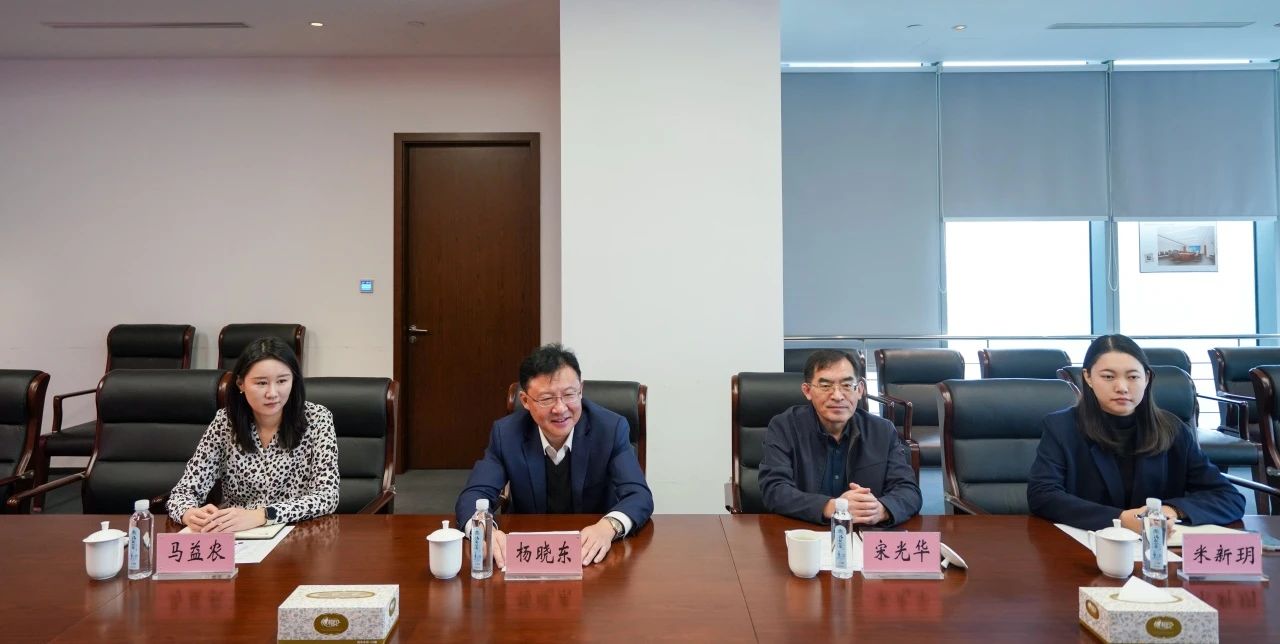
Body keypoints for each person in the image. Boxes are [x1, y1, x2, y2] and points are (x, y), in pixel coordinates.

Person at [455, 343, 654, 567]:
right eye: (546, 399)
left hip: (593, 554)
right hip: (529, 552)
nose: (560, 408)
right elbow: (474, 495)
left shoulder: (610, 429)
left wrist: (608, 527)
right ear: (525, 401)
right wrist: (484, 532)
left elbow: (639, 495)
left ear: (581, 390)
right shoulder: (507, 434)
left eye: (569, 395)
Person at [1028, 334, 1245, 532]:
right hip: (1087, 546)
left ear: (1147, 378)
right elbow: (1042, 496)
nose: (1122, 387)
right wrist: (1120, 519)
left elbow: (1229, 497)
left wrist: (1170, 510)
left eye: (1132, 377)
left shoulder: (1173, 429)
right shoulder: (1062, 427)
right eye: (1108, 377)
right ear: (1088, 377)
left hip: (1158, 550)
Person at [167, 337, 339, 532]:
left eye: (282, 381)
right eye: (261, 383)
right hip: (238, 535)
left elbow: (327, 497)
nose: (272, 393)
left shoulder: (317, 418)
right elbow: (183, 492)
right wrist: (190, 513)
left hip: (297, 533)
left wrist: (262, 515)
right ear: (241, 383)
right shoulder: (225, 422)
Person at [758, 349, 922, 526]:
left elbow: (909, 491)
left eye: (846, 385)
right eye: (825, 386)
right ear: (807, 391)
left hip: (863, 533)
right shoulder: (784, 427)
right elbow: (774, 490)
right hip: (804, 533)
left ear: (859, 390)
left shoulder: (882, 431)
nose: (837, 396)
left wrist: (881, 509)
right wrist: (832, 507)